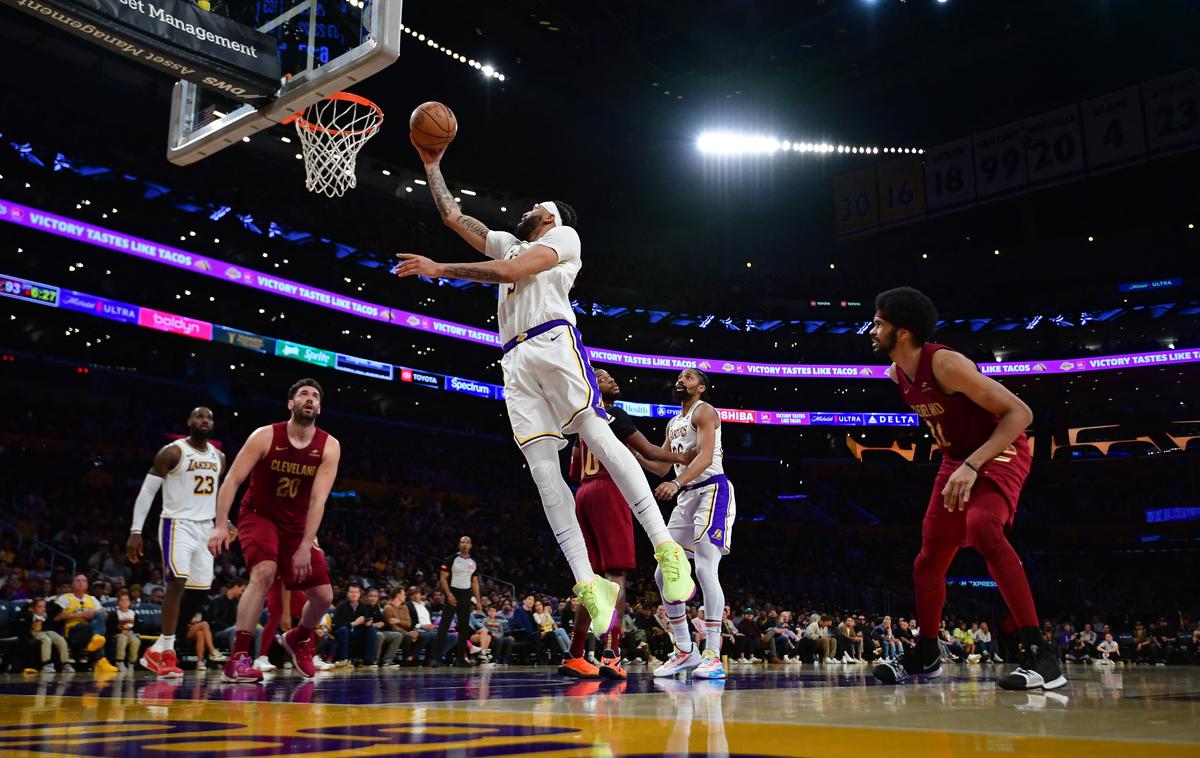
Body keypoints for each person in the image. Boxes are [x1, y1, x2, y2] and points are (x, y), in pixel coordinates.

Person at [395, 138, 695, 640]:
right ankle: (586, 584)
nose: (527, 208)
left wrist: (440, 268)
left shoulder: (567, 238)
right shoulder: (507, 242)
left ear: (551, 218)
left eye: (537, 206)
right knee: (541, 471)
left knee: (597, 434)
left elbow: (513, 272)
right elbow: (454, 218)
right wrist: (432, 164)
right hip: (513, 359)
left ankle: (664, 547)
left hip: (552, 340)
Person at [868, 288, 1065, 691]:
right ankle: (926, 652)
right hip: (957, 460)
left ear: (902, 332)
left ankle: (1041, 655)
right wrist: (959, 462)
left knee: (983, 528)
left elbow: (1020, 414)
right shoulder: (894, 372)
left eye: (879, 324)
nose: (872, 331)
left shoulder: (946, 364)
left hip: (1000, 448)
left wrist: (974, 464)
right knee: (928, 559)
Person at [208, 379, 341, 683]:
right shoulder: (265, 436)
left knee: (323, 597)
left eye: (315, 396)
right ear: (291, 404)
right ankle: (239, 657)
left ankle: (299, 637)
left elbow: (319, 500)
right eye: (303, 394)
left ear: (319, 407)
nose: (310, 398)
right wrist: (219, 524)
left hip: (296, 524)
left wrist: (307, 543)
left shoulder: (329, 445)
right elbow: (232, 481)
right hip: (259, 516)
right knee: (264, 573)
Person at [562, 369, 688, 680]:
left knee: (591, 581)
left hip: (584, 495)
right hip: (608, 490)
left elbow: (574, 473)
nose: (613, 380)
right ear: (593, 386)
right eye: (604, 377)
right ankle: (611, 653)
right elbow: (652, 452)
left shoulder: (580, 422)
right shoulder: (613, 414)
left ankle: (575, 655)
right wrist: (690, 457)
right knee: (615, 575)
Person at [638, 369, 735, 681]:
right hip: (687, 494)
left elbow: (705, 457)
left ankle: (712, 654)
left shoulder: (705, 411)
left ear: (702, 387)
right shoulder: (672, 423)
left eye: (690, 377)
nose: (682, 379)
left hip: (712, 490)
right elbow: (662, 465)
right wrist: (629, 455)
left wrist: (676, 484)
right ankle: (684, 649)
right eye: (680, 376)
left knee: (706, 568)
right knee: (663, 570)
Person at [127, 407, 225, 678]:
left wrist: (224, 521)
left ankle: (158, 648)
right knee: (176, 583)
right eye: (199, 417)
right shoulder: (172, 452)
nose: (204, 421)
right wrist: (136, 531)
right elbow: (147, 492)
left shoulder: (220, 457)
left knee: (200, 590)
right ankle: (168, 651)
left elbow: (218, 494)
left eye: (209, 418)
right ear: (189, 421)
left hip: (205, 527)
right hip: (177, 524)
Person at [433, 536, 482, 668]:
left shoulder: (474, 562)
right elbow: (443, 578)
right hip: (453, 593)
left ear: (470, 545)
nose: (465, 544)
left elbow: (475, 582)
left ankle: (460, 659)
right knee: (444, 626)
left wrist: (478, 600)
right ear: (459, 545)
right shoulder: (451, 559)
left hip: (466, 595)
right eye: (462, 542)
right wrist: (448, 594)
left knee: (464, 628)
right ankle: (436, 658)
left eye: (467, 542)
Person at [54, 574, 118, 674]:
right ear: (72, 584)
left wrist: (96, 613)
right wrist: (79, 614)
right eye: (78, 580)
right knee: (90, 631)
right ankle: (100, 661)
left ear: (87, 584)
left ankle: (97, 643)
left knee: (100, 616)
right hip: (73, 630)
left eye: (83, 581)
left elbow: (104, 616)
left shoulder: (92, 599)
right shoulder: (65, 598)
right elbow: (56, 617)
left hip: (91, 629)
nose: (81, 583)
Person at [28, 598, 70, 673]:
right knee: (46, 639)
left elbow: (59, 609)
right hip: (36, 632)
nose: (43, 609)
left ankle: (65, 663)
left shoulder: (47, 614)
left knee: (60, 639)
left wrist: (49, 601)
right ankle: (46, 664)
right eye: (39, 607)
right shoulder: (29, 615)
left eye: (44, 607)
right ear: (33, 609)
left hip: (48, 631)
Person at [112, 591, 141, 671]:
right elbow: (111, 627)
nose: (124, 602)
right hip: (119, 634)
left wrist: (131, 632)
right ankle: (119, 661)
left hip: (130, 634)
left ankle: (131, 662)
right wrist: (121, 631)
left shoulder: (133, 614)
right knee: (122, 638)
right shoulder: (115, 614)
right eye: (122, 600)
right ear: (118, 602)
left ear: (129, 602)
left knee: (136, 641)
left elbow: (138, 627)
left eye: (126, 600)